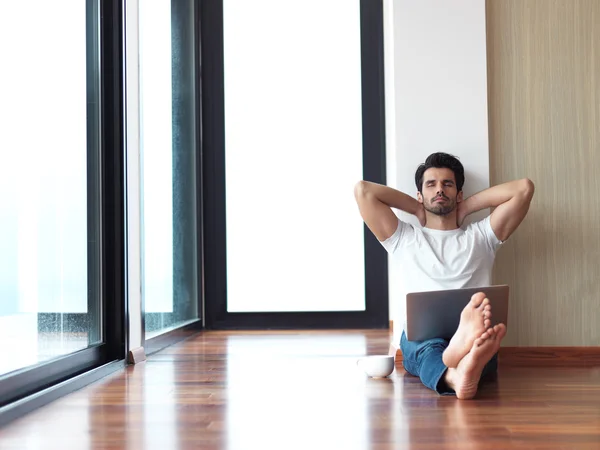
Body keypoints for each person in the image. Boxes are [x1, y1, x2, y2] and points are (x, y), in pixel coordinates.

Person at [354, 152, 534, 399]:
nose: (440, 189)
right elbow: (364, 191)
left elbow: (524, 189)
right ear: (420, 195)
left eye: (447, 184)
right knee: (428, 348)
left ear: (459, 194)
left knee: (480, 345)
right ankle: (458, 369)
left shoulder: (481, 237)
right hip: (423, 338)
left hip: (475, 335)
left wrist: (467, 207)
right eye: (431, 185)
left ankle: (460, 363)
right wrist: (416, 209)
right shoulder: (403, 238)